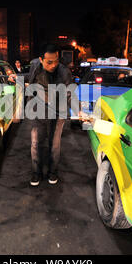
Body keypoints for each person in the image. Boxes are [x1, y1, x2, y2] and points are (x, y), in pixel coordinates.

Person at [26, 44, 84, 187]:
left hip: (58, 111)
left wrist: (79, 110)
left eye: (56, 61)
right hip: (37, 109)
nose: (53, 65)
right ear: (41, 59)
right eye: (49, 62)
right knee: (35, 143)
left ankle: (53, 172)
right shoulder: (34, 65)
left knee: (54, 144)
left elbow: (70, 93)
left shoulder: (64, 72)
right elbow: (30, 78)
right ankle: (36, 173)